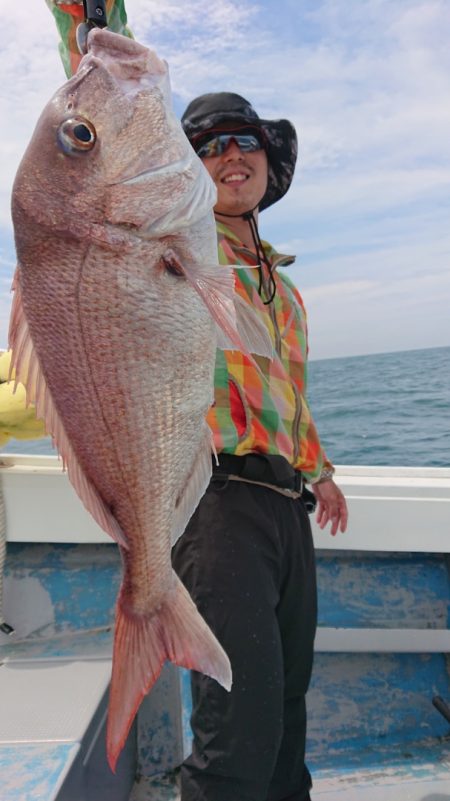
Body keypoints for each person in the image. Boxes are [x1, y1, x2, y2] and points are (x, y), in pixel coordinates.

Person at [172, 91, 348, 801]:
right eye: (207, 147)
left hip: (284, 505)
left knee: (285, 703)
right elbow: (110, 146)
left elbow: (287, 396)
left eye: (244, 140)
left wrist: (320, 472)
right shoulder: (182, 247)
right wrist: (93, 44)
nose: (230, 155)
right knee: (236, 726)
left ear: (269, 162)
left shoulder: (285, 288)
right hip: (216, 504)